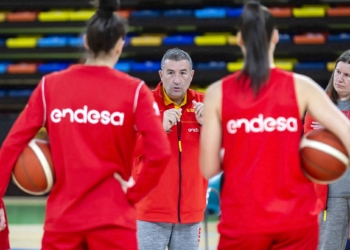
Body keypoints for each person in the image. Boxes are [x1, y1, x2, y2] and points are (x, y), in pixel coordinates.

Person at [0, 0, 171, 249]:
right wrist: (134, 192)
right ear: (119, 46)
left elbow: (12, 145)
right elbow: (161, 153)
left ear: (86, 42)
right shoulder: (135, 91)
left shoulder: (50, 86)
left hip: (63, 222)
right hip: (114, 221)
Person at [199, 2, 350, 250]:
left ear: (239, 39)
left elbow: (208, 167)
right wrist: (322, 158)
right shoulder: (302, 86)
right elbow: (346, 134)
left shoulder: (217, 92)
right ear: (276, 37)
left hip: (243, 219)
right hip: (295, 220)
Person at [132, 48, 208, 250]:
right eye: (170, 73)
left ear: (191, 75)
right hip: (150, 211)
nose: (176, 80)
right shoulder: (143, 104)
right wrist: (157, 129)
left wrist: (208, 128)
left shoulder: (206, 104)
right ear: (161, 75)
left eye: (183, 73)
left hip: (191, 211)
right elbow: (126, 151)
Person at [304, 50, 350, 250]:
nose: (340, 79)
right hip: (331, 195)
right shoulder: (318, 105)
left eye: (347, 75)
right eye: (338, 72)